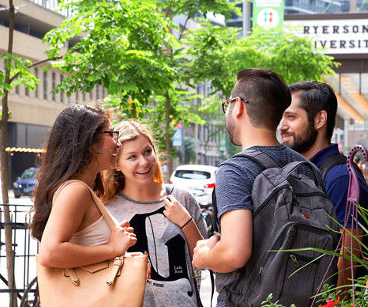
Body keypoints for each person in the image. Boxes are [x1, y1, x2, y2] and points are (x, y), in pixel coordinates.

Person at [191, 68, 322, 307]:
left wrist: (204, 256)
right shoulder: (308, 169)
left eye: (227, 104)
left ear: (238, 105)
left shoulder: (236, 170)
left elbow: (234, 253)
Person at [278, 81, 368, 287]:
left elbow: (348, 260)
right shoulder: (303, 170)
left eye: (291, 117)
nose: (282, 126)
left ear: (320, 119)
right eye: (281, 117)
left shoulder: (340, 176)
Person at [100, 120, 207, 307]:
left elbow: (204, 261)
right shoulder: (108, 210)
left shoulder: (181, 198)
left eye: (147, 151)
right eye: (132, 157)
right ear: (116, 164)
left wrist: (186, 222)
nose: (144, 162)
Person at [29, 104, 138, 275]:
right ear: (90, 142)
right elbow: (50, 254)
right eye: (111, 134)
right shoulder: (76, 190)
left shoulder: (79, 188)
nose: (118, 144)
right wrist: (111, 249)